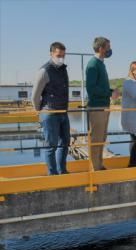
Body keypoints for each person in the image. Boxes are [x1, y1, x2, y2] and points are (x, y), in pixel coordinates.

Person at [31, 42, 70, 175]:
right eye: (59, 55)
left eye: (63, 55)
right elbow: (35, 96)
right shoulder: (44, 71)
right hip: (49, 113)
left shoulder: (63, 69)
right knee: (50, 146)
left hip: (63, 112)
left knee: (65, 143)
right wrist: (41, 113)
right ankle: (52, 174)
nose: (61, 58)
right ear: (51, 54)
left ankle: (62, 171)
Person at [85, 36, 119, 170]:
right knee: (96, 138)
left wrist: (110, 91)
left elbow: (100, 87)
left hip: (103, 106)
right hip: (97, 107)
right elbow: (91, 88)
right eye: (108, 47)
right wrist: (109, 93)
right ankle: (95, 167)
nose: (110, 50)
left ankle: (99, 164)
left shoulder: (100, 63)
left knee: (101, 137)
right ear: (101, 48)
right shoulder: (93, 64)